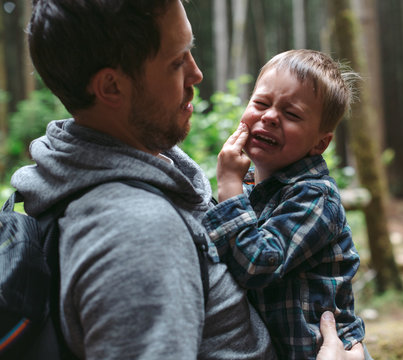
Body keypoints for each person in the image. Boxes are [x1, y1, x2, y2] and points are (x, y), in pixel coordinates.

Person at [11, 0, 365, 359]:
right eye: (177, 61)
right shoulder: (136, 232)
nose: (197, 74)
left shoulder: (142, 170)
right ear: (112, 87)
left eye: (190, 52)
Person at [202, 49, 371, 359]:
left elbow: (255, 264)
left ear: (320, 143)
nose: (269, 117)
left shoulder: (315, 195)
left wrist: (228, 186)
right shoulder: (250, 185)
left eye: (291, 114)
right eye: (261, 103)